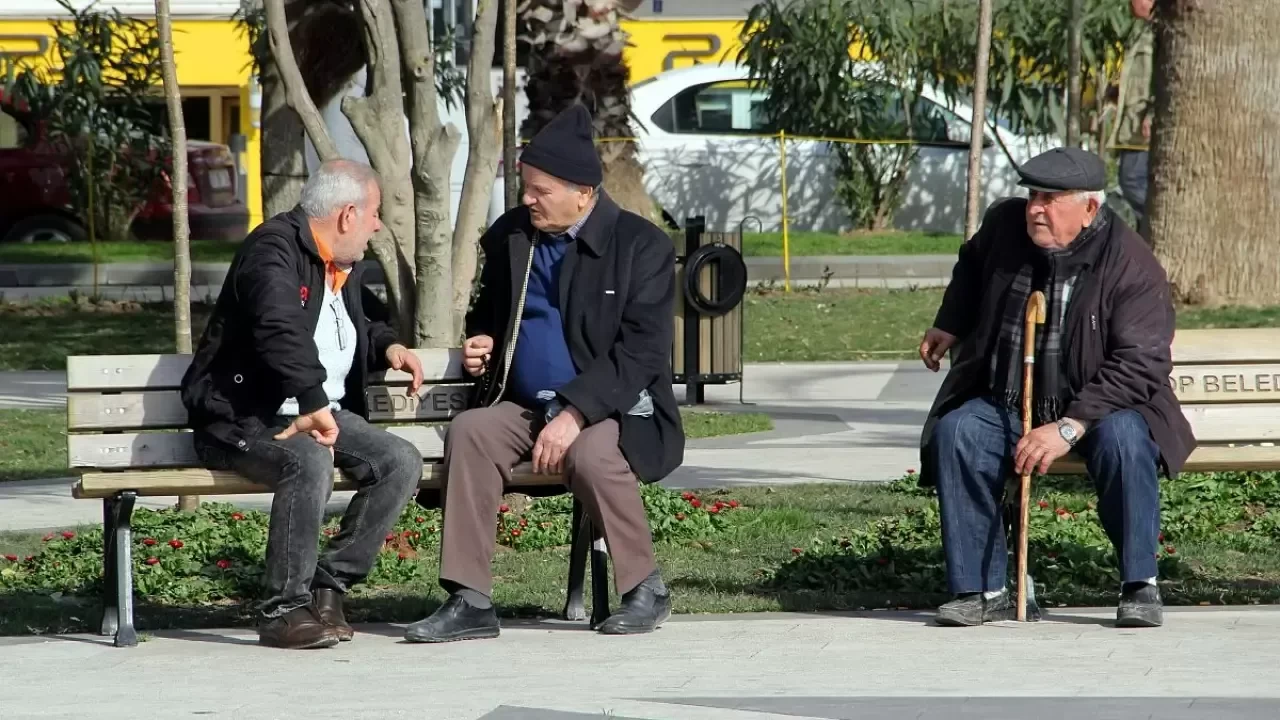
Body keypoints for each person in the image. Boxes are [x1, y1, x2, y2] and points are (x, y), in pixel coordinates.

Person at [403, 104, 685, 643]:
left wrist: (575, 413)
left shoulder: (640, 246)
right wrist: (482, 339)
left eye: (541, 190)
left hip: (610, 409)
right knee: (471, 432)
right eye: (526, 187)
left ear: (583, 193)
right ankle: (470, 599)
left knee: (591, 454)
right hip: (525, 406)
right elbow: (489, 310)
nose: (527, 199)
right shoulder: (513, 236)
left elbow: (641, 352)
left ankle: (646, 588)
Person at [916, 147, 1195, 629]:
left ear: (1089, 208)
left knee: (1126, 443)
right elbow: (971, 265)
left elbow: (1142, 363)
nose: (1035, 209)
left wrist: (1069, 426)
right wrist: (950, 322)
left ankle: (1140, 584)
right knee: (959, 432)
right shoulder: (1005, 226)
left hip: (1104, 405)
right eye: (1032, 196)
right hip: (1010, 397)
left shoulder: (1130, 262)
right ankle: (983, 590)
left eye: (1050, 199)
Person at [181, 159, 426, 650]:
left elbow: (357, 319)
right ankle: (283, 611)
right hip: (243, 417)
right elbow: (279, 327)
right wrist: (312, 401)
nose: (378, 225)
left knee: (400, 461)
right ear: (347, 215)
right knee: (308, 460)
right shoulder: (271, 252)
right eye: (374, 213)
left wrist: (386, 346)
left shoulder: (338, 264)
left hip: (318, 412)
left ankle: (327, 588)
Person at [1116, 0, 1155, 236]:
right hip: (1131, 123)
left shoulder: (1160, 33)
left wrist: (1152, 114)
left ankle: (1154, 220)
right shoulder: (1140, 31)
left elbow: (1165, 79)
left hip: (1142, 125)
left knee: (1131, 179)